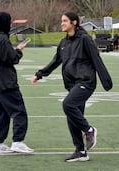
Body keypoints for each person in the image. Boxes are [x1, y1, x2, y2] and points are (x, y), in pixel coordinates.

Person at [31, 12, 113, 162]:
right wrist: (40, 74)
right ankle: (81, 151)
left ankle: (89, 130)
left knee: (68, 104)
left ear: (74, 22)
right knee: (72, 117)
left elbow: (96, 59)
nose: (61, 23)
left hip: (85, 82)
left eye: (65, 21)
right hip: (72, 84)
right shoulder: (63, 43)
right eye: (61, 20)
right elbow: (55, 61)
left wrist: (106, 81)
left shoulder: (85, 39)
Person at [0, 12, 34, 154]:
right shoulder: (2, 39)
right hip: (6, 83)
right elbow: (11, 59)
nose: (10, 24)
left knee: (2, 114)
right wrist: (18, 50)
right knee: (19, 112)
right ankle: (18, 141)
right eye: (9, 22)